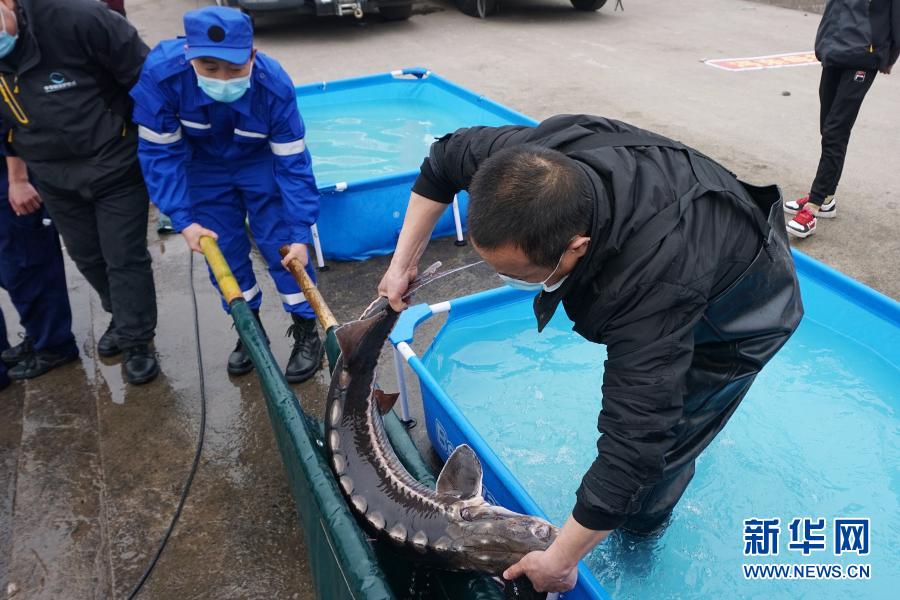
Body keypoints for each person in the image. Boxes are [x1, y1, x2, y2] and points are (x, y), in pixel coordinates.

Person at [378, 115, 804, 593]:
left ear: (576, 247)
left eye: (515, 272)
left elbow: (635, 443)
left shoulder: (650, 287)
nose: (505, 278)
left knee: (657, 464)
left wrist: (560, 559)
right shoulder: (525, 161)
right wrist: (403, 264)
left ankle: (644, 533)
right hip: (691, 224)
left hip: (742, 310)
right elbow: (441, 162)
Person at [131, 6, 323, 383]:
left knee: (283, 246)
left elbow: (293, 163)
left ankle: (305, 330)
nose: (222, 78)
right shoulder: (162, 75)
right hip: (202, 166)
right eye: (209, 67)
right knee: (224, 251)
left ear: (252, 55)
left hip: (260, 164)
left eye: (234, 69)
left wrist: (301, 232)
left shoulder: (274, 85)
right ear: (189, 55)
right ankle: (248, 329)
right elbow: (159, 153)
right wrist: (183, 219)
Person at [0, 0, 159, 385]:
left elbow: (147, 77)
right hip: (53, 174)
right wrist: (18, 178)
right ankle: (121, 316)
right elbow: (5, 126)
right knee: (87, 256)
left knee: (123, 256)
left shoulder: (80, 19)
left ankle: (138, 342)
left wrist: (161, 152)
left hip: (114, 161)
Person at [786, 0, 898, 238]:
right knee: (828, 126)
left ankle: (814, 205)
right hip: (835, 50)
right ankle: (826, 197)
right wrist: (822, 44)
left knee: (836, 129)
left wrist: (889, 55)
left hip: (863, 56)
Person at [0, 155, 78, 381]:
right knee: (13, 270)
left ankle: (53, 344)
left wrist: (18, 179)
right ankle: (39, 337)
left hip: (11, 176)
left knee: (26, 265)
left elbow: (9, 125)